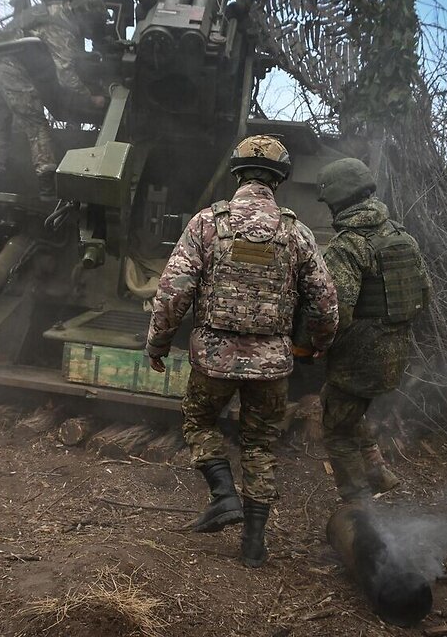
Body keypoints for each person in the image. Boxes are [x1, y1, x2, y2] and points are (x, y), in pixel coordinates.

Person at [145, 135, 339, 568]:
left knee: (198, 420)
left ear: (237, 174)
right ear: (280, 179)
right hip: (272, 365)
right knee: (261, 444)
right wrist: (319, 345)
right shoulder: (297, 232)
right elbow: (325, 301)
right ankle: (253, 544)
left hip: (213, 358)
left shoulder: (207, 224)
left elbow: (173, 292)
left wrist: (158, 342)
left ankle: (223, 494)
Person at [315, 157, 432, 504]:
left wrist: (317, 344)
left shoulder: (347, 245)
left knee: (335, 428)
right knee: (347, 409)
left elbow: (337, 311)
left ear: (338, 200)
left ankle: (357, 505)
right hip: (395, 353)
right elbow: (424, 294)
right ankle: (378, 472)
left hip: (358, 357)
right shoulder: (402, 237)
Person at [0, 0, 110, 198]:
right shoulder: (62, 27)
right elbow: (66, 75)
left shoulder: (51, 10)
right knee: (36, 125)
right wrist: (91, 98)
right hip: (12, 69)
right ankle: (47, 187)